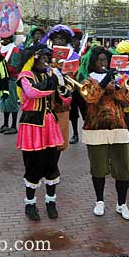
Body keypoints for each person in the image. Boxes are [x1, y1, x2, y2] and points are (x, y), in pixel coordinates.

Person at [16, 44, 71, 220]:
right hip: (32, 125)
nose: (47, 60)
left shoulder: (50, 74)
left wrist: (63, 86)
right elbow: (32, 92)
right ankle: (30, 204)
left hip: (49, 123)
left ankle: (50, 202)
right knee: (33, 165)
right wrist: (53, 82)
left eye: (49, 56)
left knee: (51, 163)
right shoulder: (25, 76)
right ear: (34, 57)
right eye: (44, 56)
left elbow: (65, 99)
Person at [79, 46, 129, 220]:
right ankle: (99, 201)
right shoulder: (87, 80)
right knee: (98, 168)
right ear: (93, 62)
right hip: (96, 129)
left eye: (106, 60)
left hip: (118, 127)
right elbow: (91, 98)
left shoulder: (116, 79)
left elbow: (128, 101)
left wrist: (118, 85)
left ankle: (122, 204)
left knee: (123, 168)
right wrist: (104, 82)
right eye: (100, 60)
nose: (103, 63)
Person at [40, 25, 79, 163]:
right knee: (45, 135)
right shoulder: (45, 53)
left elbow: (74, 79)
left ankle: (54, 164)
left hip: (62, 100)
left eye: (62, 38)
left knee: (60, 134)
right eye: (56, 38)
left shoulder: (73, 55)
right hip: (45, 99)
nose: (59, 41)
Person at [0, 34, 21, 135]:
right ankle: (5, 124)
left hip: (11, 79)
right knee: (4, 103)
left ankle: (14, 126)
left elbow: (15, 66)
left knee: (12, 103)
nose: (3, 39)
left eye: (5, 38)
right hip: (3, 79)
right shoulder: (1, 49)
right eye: (2, 38)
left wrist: (4, 69)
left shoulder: (14, 49)